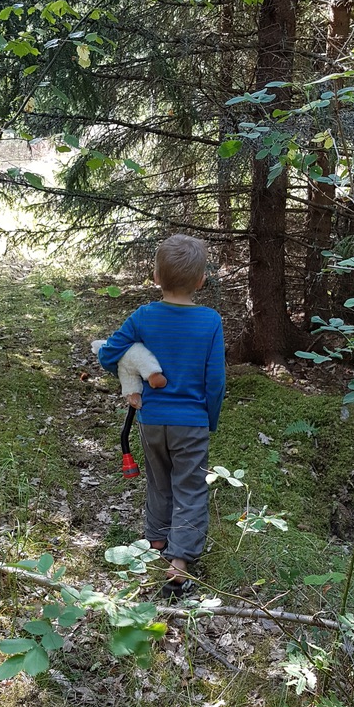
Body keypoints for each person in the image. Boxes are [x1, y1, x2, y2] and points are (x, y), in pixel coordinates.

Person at [97, 234, 225, 597]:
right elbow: (215, 381)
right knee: (190, 487)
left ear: (156, 277)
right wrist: (210, 418)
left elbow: (108, 355)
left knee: (159, 481)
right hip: (192, 421)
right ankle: (179, 563)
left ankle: (156, 541)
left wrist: (133, 370)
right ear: (201, 280)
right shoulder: (210, 321)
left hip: (151, 420)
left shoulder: (143, 316)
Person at [90, 339, 167, 409]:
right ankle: (134, 394)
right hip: (155, 404)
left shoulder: (136, 327)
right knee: (130, 372)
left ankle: (153, 376)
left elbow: (107, 358)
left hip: (151, 404)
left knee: (139, 363)